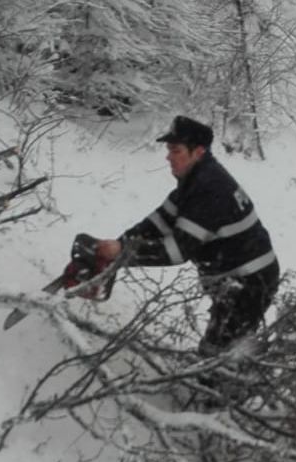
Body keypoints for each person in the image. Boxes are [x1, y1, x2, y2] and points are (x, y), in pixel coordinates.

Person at [66, 115, 280, 358]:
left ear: (198, 152)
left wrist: (122, 253)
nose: (168, 156)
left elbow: (176, 251)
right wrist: (117, 246)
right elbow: (157, 222)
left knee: (220, 353)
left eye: (175, 150)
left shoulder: (210, 191)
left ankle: (234, 382)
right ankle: (236, 370)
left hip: (251, 282)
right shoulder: (194, 182)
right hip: (234, 279)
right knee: (219, 348)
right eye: (168, 149)